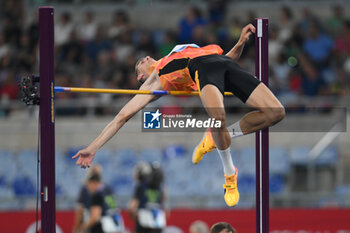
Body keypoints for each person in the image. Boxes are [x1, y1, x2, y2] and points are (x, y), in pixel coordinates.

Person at [73, 24, 285, 207]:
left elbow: (226, 58)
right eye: (139, 69)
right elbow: (121, 116)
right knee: (218, 118)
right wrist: (93, 147)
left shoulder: (177, 52)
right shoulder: (154, 81)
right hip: (202, 71)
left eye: (142, 63)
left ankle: (217, 136)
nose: (142, 66)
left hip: (223, 63)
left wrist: (240, 42)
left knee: (276, 113)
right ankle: (230, 174)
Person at [72, 165, 124, 233]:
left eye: (88, 184)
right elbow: (115, 208)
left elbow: (94, 216)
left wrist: (83, 227)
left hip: (102, 226)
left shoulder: (96, 193)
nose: (88, 187)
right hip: (115, 224)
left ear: (93, 182)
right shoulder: (108, 188)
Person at [128, 162, 167, 233]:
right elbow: (166, 210)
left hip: (143, 223)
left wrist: (136, 219)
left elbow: (131, 208)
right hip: (158, 222)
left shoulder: (140, 186)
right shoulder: (160, 188)